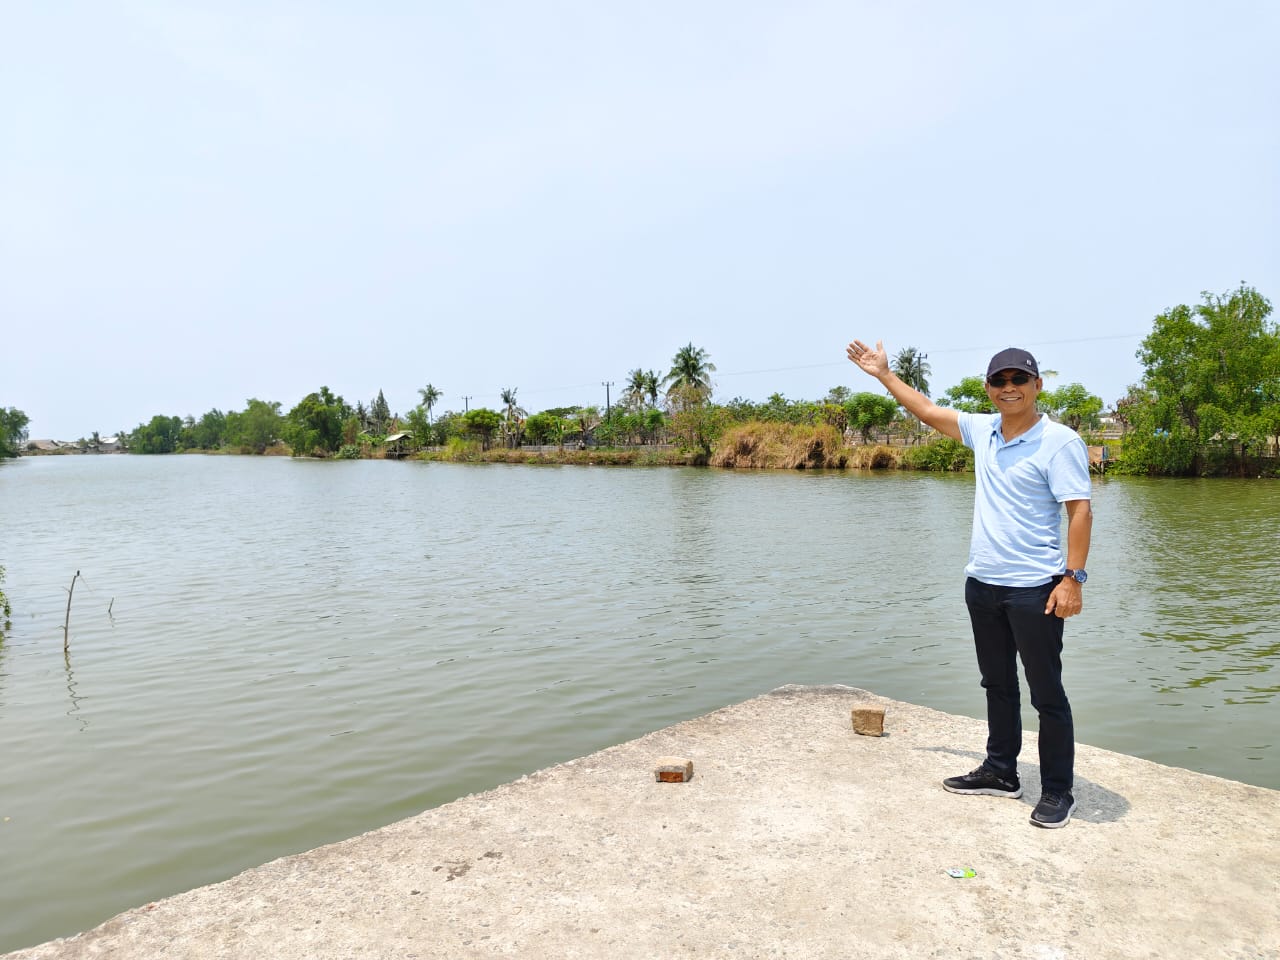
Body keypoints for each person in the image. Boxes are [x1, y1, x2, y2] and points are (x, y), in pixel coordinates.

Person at [847, 340, 1093, 828]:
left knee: (1046, 692)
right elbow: (926, 409)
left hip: (1034, 588)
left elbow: (1080, 510)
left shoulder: (1059, 441)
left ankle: (1059, 790)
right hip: (982, 582)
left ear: (1037, 386)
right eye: (999, 381)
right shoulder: (983, 430)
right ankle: (1002, 771)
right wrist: (884, 375)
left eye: (1018, 380)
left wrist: (1072, 579)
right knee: (997, 684)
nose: (1009, 388)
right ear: (989, 388)